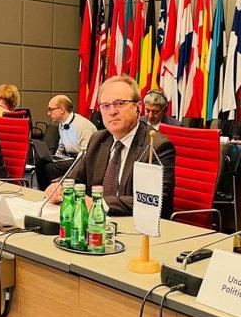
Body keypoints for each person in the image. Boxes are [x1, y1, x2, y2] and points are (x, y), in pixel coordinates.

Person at [44, 76, 175, 218]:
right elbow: (74, 177)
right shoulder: (98, 139)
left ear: (138, 108)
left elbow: (152, 200)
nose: (112, 112)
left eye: (120, 103)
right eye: (105, 106)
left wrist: (99, 204)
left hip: (136, 225)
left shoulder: (156, 146)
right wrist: (60, 187)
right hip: (96, 223)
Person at [35, 95, 97, 190]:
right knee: (41, 163)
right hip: (69, 158)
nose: (48, 113)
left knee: (51, 167)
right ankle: (44, 192)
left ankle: (55, 193)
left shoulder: (82, 125)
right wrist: (55, 158)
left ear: (62, 109)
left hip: (82, 161)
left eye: (51, 110)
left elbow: (87, 155)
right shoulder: (62, 123)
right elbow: (61, 146)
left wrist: (57, 162)